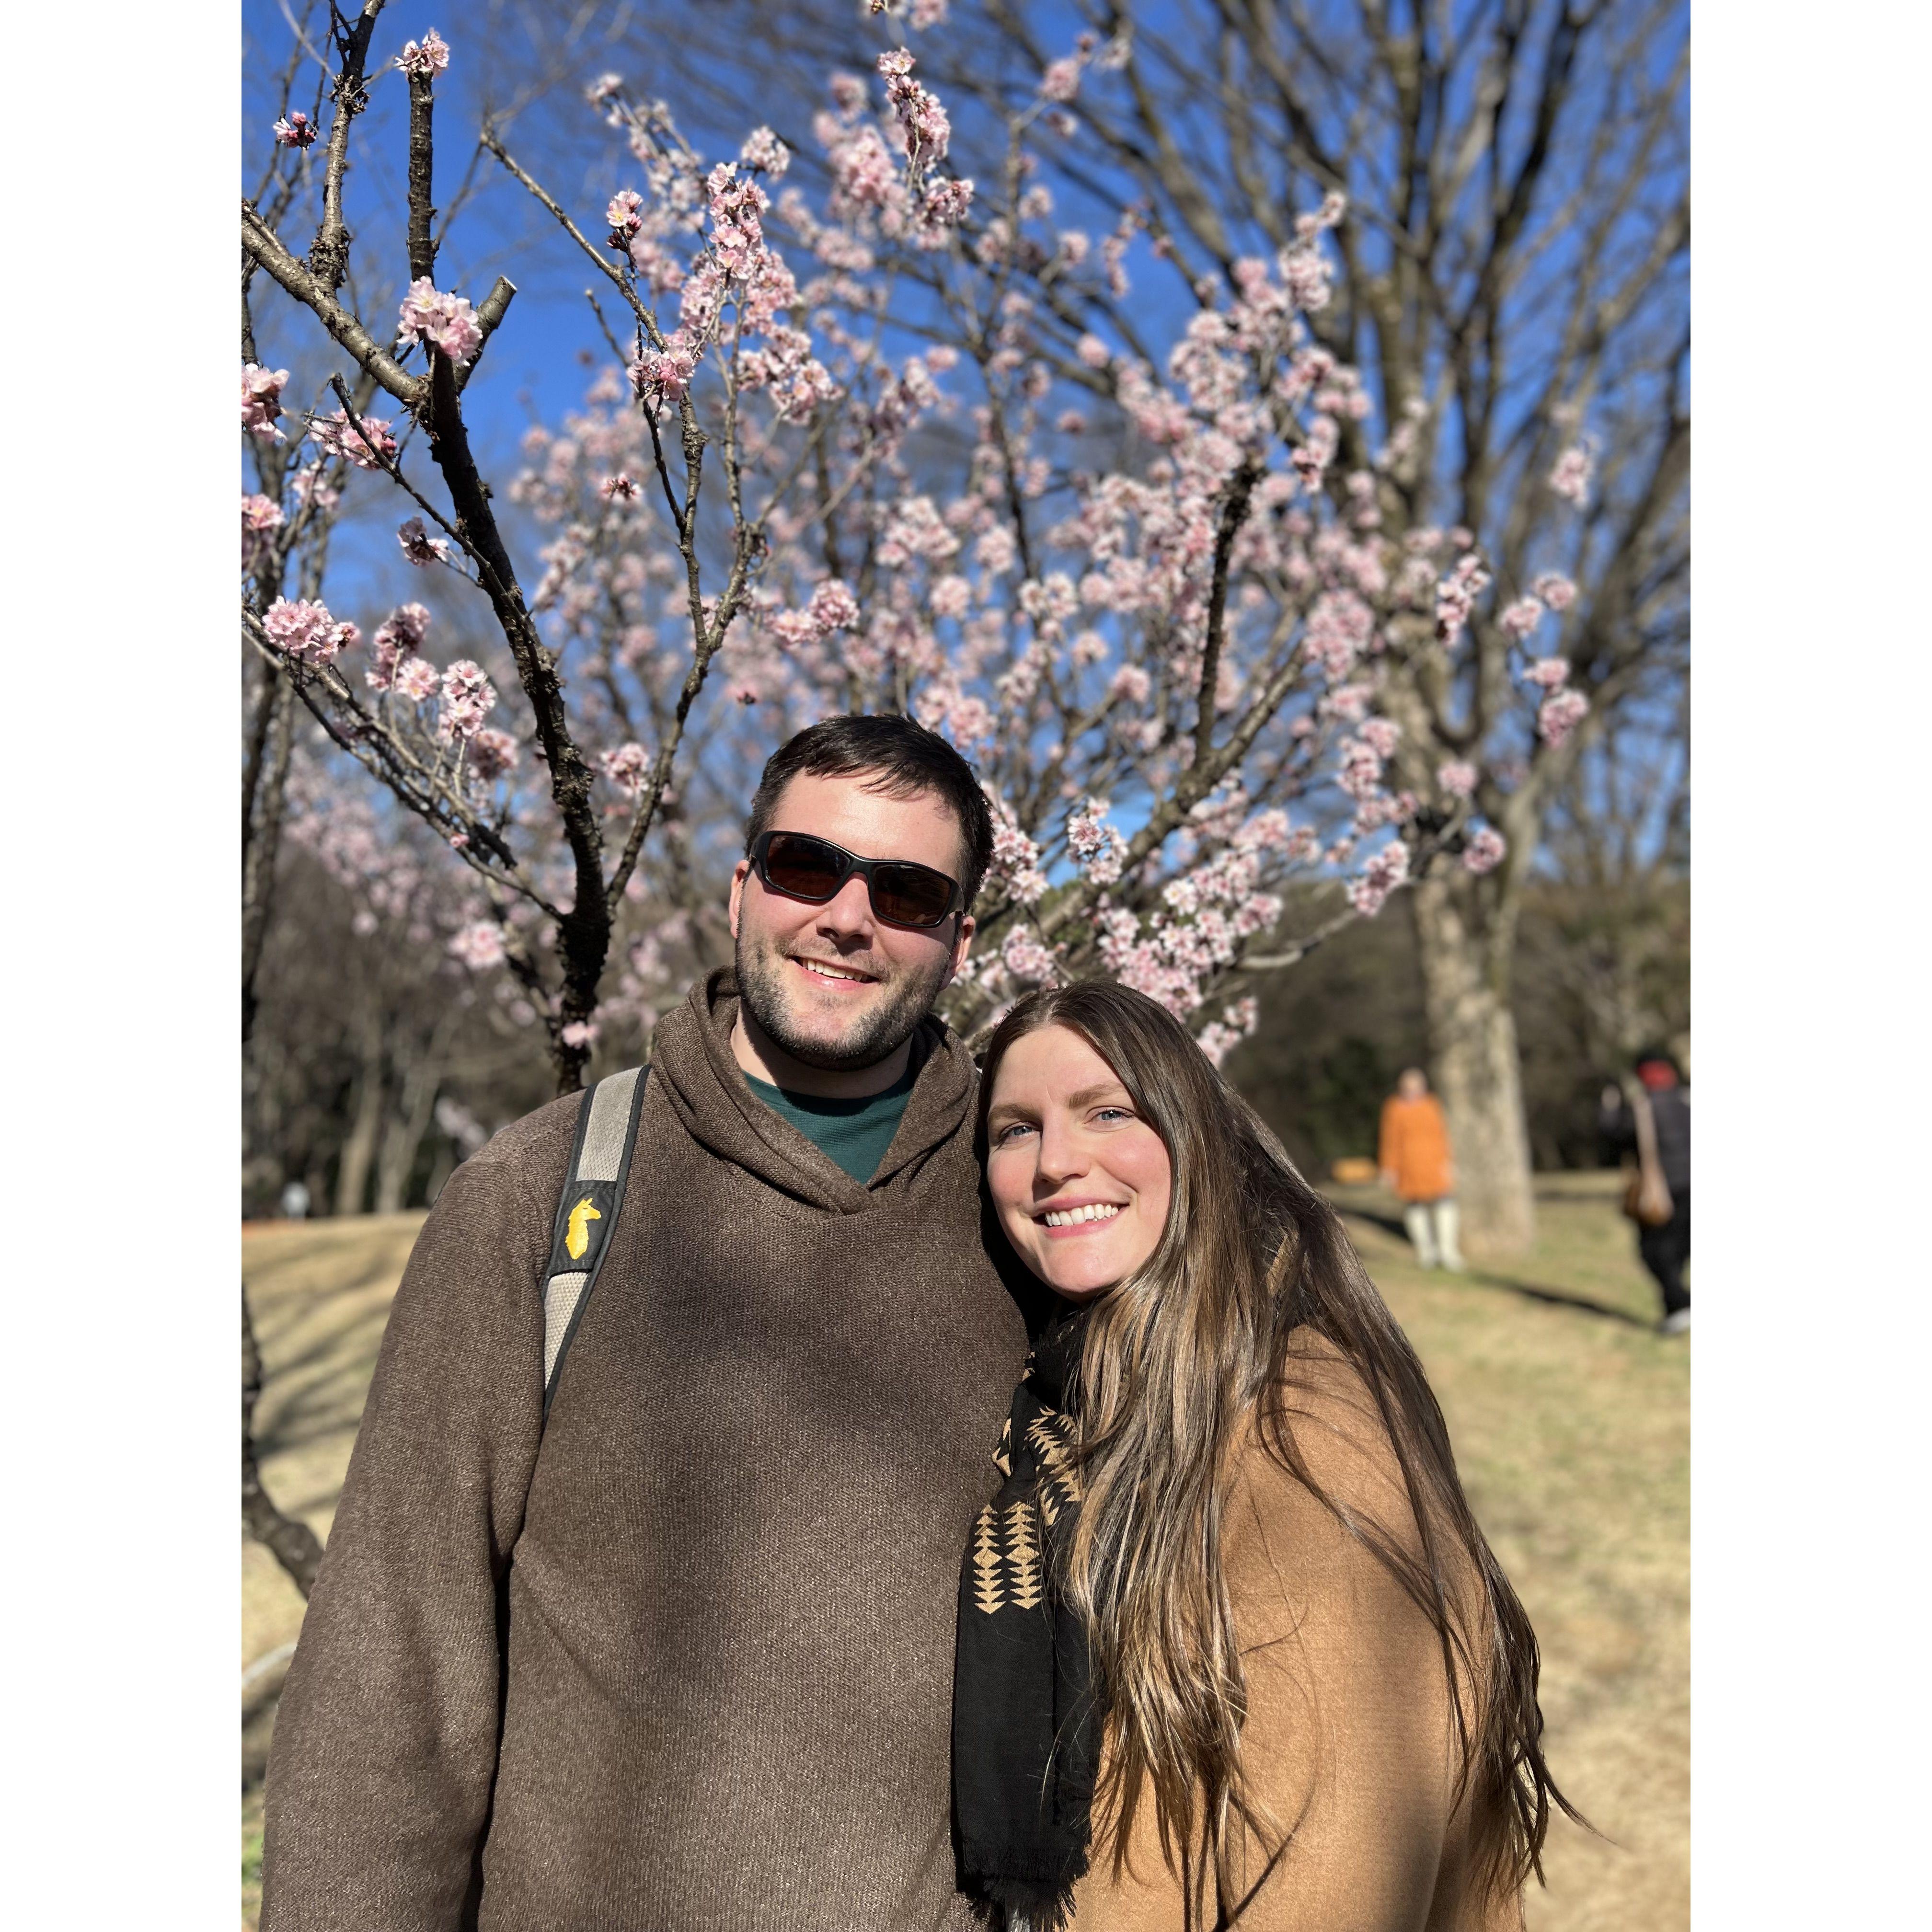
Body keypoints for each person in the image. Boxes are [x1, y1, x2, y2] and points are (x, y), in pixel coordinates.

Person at [260, 715, 1044, 1932]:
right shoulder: (544, 1195)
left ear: (960, 936)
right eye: (804, 866)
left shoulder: (1040, 1212)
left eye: (907, 890)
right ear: (742, 890)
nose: (847, 914)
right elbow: (394, 1671)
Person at [960, 983, 1570, 1931]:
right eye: (1014, 1130)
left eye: (1107, 1113)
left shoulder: (1301, 1440)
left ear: (1194, 1139)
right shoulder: (1079, 1400)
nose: (1055, 1164)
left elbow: (1336, 1880)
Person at [1600, 1049, 1691, 1334]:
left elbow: (1612, 1138)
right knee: (1679, 1249)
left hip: (1661, 1190)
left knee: (1655, 1252)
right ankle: (1679, 1304)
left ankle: (1679, 1305)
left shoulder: (1641, 1106)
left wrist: (1609, 1106)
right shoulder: (1688, 1098)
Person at [1378, 1066, 1464, 1273]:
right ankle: (1426, 1251)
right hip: (1408, 1165)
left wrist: (1448, 1162)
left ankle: (1448, 1251)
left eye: (1417, 1086)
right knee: (1415, 1206)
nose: (1413, 1090)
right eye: (1408, 1086)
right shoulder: (1394, 1108)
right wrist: (1389, 1168)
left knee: (1445, 1202)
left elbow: (1442, 1135)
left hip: (1434, 1163)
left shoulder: (1432, 1105)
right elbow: (1390, 1141)